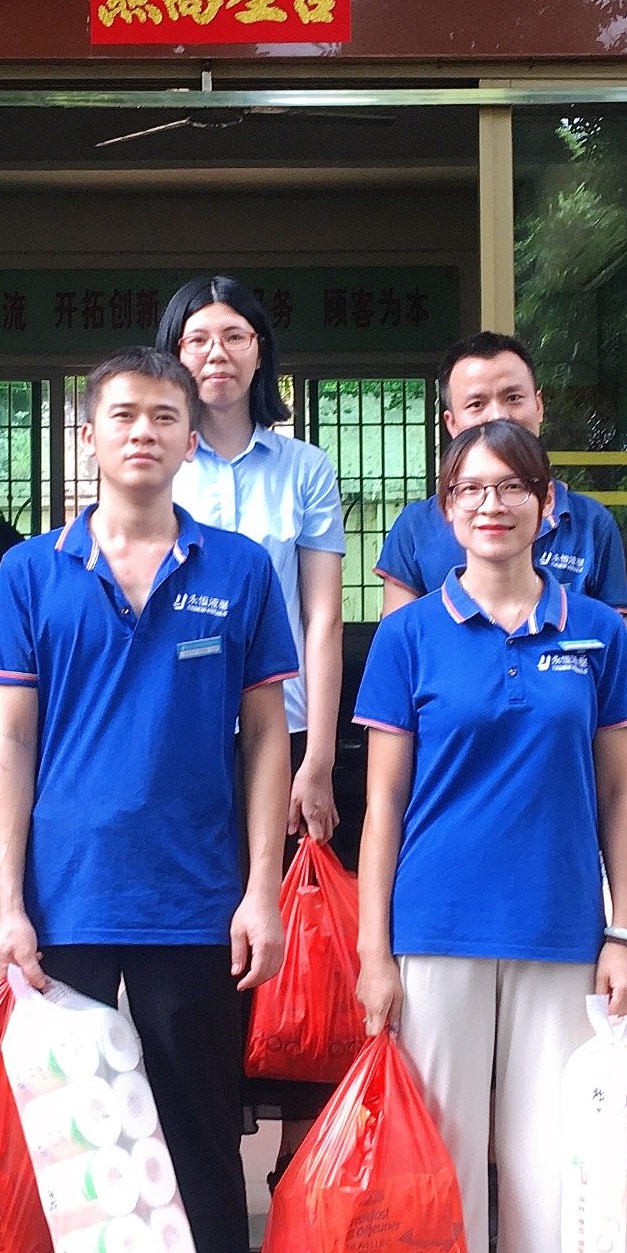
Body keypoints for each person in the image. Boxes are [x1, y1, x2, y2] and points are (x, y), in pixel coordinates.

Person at [0, 347, 300, 1253]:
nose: (144, 433)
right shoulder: (31, 573)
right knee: (60, 1143)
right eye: (123, 415)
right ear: (89, 436)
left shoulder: (239, 569)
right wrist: (9, 903)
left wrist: (260, 890)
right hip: (63, 907)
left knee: (199, 1135)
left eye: (165, 416)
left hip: (193, 902)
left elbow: (267, 738)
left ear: (188, 437)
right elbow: (8, 743)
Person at [350, 419, 627, 1253]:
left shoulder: (596, 632)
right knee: (447, 1161)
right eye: (471, 489)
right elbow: (381, 808)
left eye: (512, 487)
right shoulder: (409, 637)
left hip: (561, 929)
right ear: (447, 510)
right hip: (437, 928)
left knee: (543, 1161)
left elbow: (626, 792)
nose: (492, 504)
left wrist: (622, 931)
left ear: (546, 505)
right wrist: (373, 953)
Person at [374, 328, 627, 850]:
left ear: (539, 405)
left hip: (566, 797)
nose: (498, 415)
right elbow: (398, 684)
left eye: (512, 397)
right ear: (451, 422)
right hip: (456, 798)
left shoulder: (590, 524)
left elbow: (618, 676)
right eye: (476, 403)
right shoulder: (417, 528)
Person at [155, 275, 346, 850]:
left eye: (235, 336)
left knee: (276, 893)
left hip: (284, 722)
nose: (217, 353)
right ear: (174, 356)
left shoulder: (306, 468)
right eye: (197, 340)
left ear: (260, 351)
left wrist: (319, 758)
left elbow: (322, 619)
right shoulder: (153, 464)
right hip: (172, 721)